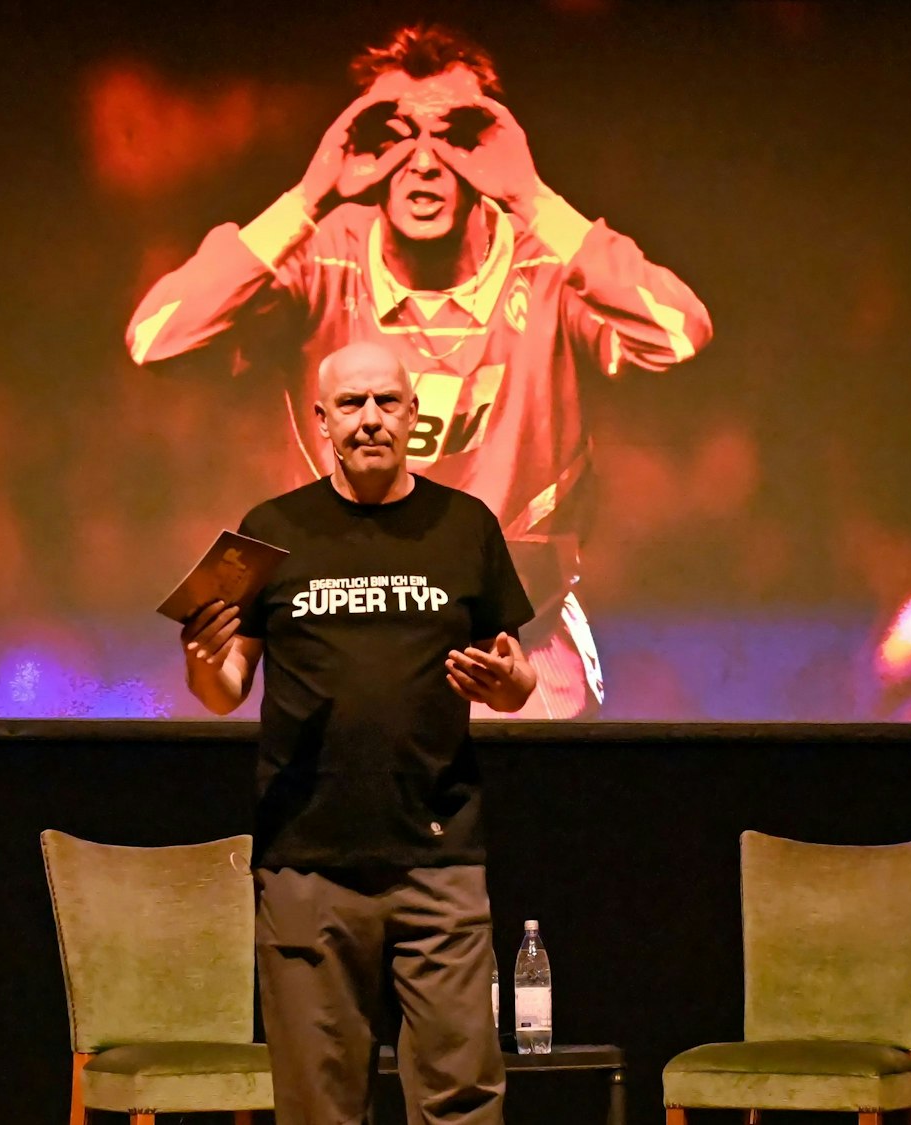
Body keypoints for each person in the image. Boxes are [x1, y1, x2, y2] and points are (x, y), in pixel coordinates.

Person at [128, 23, 713, 718]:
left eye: (460, 135)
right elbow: (155, 338)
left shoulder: (545, 259)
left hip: (515, 632)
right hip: (349, 622)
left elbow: (679, 333)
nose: (425, 161)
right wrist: (308, 194)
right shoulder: (322, 257)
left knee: (535, 808)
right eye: (392, 134)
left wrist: (533, 197)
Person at [180, 341, 536, 1124]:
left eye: (386, 402)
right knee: (317, 1104)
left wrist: (513, 685)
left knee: (464, 1097)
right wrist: (205, 665)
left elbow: (516, 676)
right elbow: (225, 686)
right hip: (307, 859)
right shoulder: (267, 531)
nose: (369, 419)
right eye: (351, 404)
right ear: (321, 421)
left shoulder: (466, 524)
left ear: (415, 414)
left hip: (440, 851)